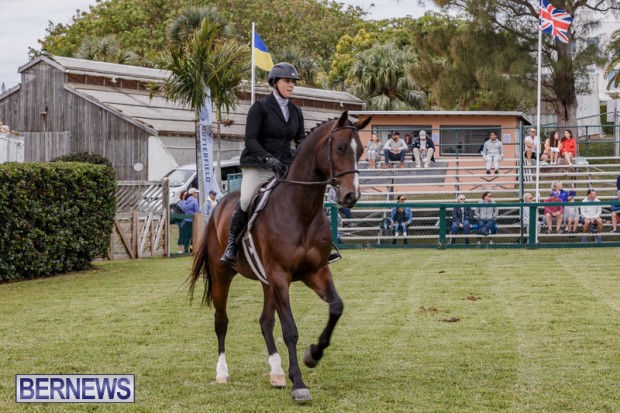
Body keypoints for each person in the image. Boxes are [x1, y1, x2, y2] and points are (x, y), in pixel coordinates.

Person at [221, 62, 305, 265]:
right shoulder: (260, 108)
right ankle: (232, 245)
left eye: (293, 82)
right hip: (258, 165)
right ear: (275, 83)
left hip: (284, 167)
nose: (291, 85)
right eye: (287, 81)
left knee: (305, 197)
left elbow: (301, 140)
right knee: (246, 199)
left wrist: (302, 159)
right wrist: (268, 158)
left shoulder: (296, 111)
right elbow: (251, 140)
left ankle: (313, 244)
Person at [181, 188, 201, 253]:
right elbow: (197, 211)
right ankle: (191, 249)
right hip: (193, 220)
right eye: (196, 192)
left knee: (187, 235)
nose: (197, 194)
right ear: (193, 193)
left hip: (186, 220)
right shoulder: (194, 200)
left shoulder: (185, 200)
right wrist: (200, 211)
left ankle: (185, 249)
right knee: (193, 236)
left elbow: (183, 210)